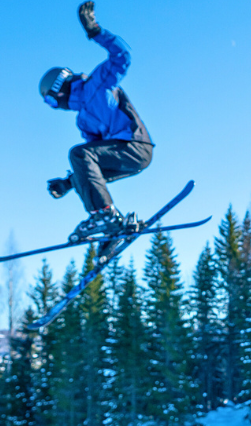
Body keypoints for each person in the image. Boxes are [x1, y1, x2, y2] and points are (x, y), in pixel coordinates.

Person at [40, 2, 154, 246]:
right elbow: (91, 167)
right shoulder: (83, 120)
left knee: (78, 154)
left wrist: (95, 31)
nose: (55, 106)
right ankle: (112, 228)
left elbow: (122, 56)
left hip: (135, 145)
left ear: (59, 87)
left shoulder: (97, 83)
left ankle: (104, 215)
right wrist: (68, 183)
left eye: (51, 101)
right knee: (82, 162)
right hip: (121, 155)